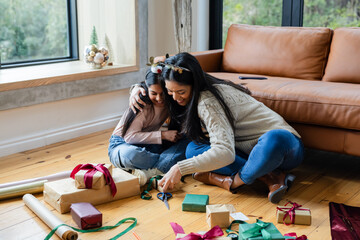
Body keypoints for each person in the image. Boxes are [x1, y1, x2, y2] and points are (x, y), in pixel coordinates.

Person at [148, 52, 304, 203]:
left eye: (181, 92)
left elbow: (225, 153)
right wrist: (137, 89)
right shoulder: (200, 88)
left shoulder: (207, 101)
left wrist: (179, 168)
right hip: (247, 152)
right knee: (193, 149)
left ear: (194, 85)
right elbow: (151, 83)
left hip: (285, 148)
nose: (175, 98)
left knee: (273, 138)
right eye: (170, 91)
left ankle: (229, 181)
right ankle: (270, 177)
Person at [108, 68, 189, 186]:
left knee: (187, 143)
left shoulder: (172, 101)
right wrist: (163, 135)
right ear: (147, 88)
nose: (159, 99)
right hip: (121, 144)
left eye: (163, 93)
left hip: (148, 144)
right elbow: (130, 137)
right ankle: (163, 166)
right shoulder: (142, 103)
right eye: (154, 93)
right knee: (132, 155)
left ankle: (149, 170)